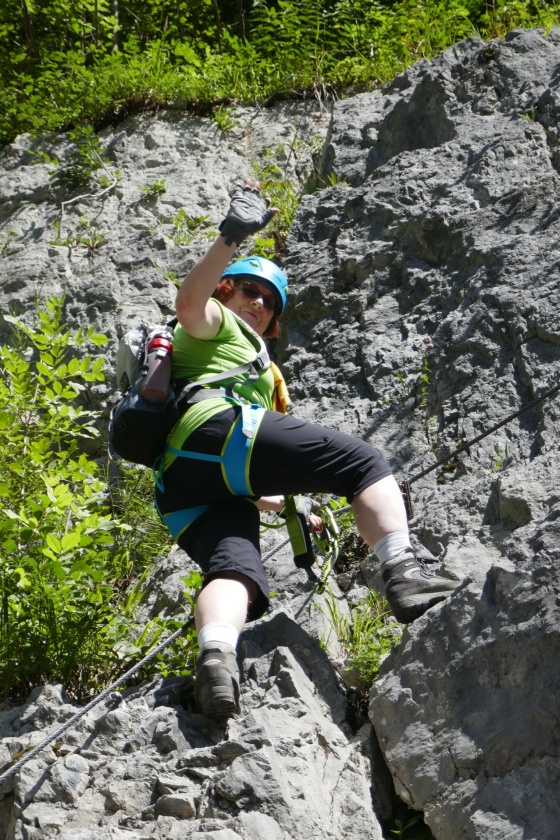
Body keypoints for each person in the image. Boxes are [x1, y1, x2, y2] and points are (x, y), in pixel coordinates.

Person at [154, 178, 459, 720]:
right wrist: (233, 236)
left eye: (269, 304)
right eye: (249, 291)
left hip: (186, 485)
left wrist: (295, 503)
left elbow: (249, 476)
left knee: (236, 573)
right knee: (363, 464)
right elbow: (187, 301)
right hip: (217, 432)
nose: (259, 305)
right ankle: (404, 573)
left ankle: (216, 662)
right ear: (226, 291)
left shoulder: (249, 360)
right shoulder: (213, 324)